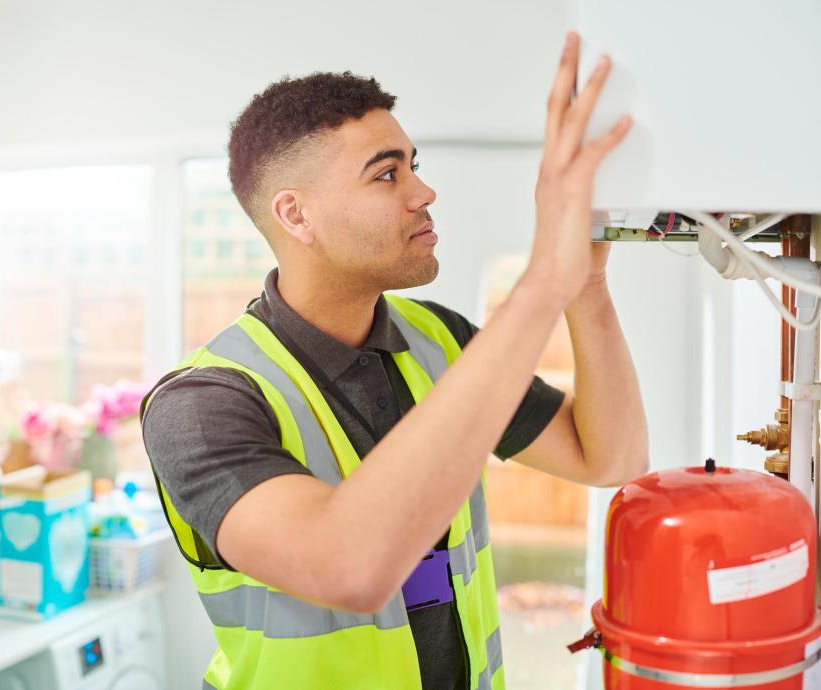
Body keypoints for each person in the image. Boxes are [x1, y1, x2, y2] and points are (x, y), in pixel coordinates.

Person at [141, 31, 647, 690]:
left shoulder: (439, 340)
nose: (424, 191)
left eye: (414, 164)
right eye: (388, 173)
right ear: (296, 216)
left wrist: (585, 288)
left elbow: (610, 458)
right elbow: (346, 568)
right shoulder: (201, 405)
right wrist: (542, 280)